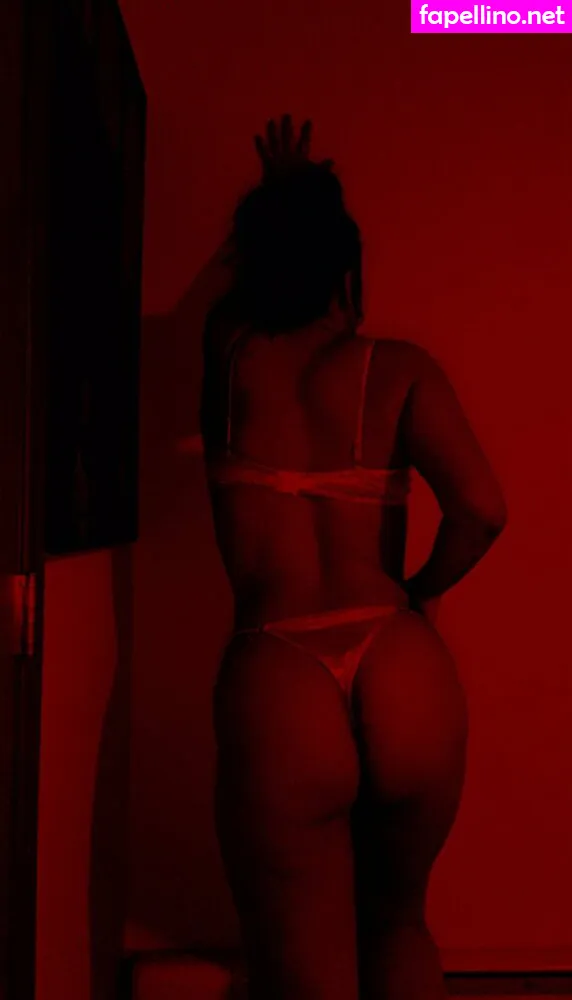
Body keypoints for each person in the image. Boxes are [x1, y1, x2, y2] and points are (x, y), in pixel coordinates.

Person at [199, 116, 507, 1000]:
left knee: (305, 971)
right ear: (347, 268)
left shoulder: (230, 354)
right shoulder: (399, 368)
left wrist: (286, 195)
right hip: (398, 661)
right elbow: (483, 510)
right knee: (399, 925)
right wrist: (417, 592)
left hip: (280, 668)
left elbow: (244, 279)